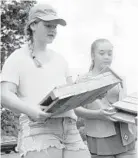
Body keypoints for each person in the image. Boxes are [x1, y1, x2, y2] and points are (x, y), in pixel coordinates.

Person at [1, 4, 91, 158]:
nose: (53, 30)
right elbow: (4, 95)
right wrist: (30, 111)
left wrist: (92, 94)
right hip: (38, 127)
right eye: (48, 25)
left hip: (70, 127)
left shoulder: (60, 59)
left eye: (55, 27)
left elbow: (71, 94)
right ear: (33, 25)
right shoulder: (17, 57)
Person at [75, 39, 137, 158]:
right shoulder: (82, 81)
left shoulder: (119, 78)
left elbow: (125, 106)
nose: (107, 57)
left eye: (110, 53)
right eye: (102, 53)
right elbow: (76, 109)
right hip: (100, 138)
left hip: (126, 136)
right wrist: (98, 114)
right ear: (93, 55)